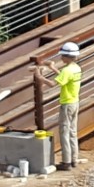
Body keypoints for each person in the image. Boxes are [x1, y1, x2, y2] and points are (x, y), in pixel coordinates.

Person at [34, 42, 82, 171]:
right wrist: (52, 68)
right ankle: (74, 159)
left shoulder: (67, 70)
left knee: (64, 132)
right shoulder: (76, 68)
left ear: (67, 56)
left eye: (62, 56)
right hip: (75, 102)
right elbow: (64, 78)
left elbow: (52, 84)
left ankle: (66, 162)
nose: (61, 58)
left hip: (67, 104)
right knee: (73, 132)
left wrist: (40, 77)